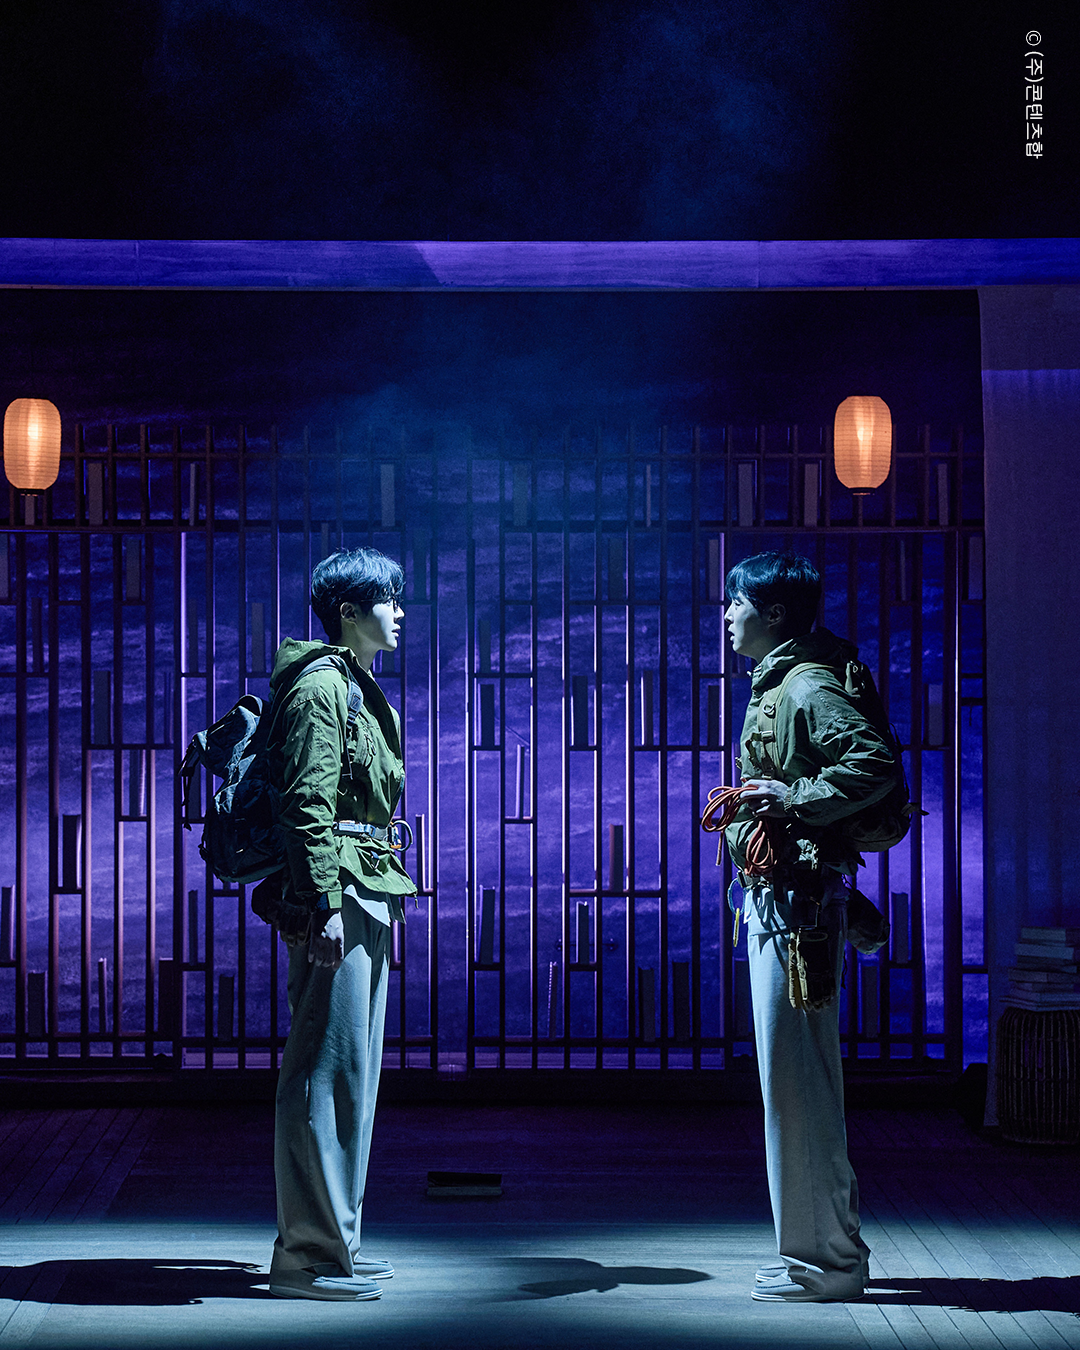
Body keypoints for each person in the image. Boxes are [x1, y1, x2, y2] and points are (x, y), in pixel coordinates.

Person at [722, 551, 898, 1304]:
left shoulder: (805, 683)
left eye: (735, 603)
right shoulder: (783, 680)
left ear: (775, 614)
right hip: (782, 902)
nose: (727, 617)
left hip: (798, 910)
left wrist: (792, 798)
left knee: (802, 1090)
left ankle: (832, 1261)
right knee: (791, 1088)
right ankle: (814, 1254)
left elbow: (873, 764)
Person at [265, 547, 415, 1302]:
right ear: (349, 612)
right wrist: (322, 903)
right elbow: (306, 804)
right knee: (322, 1074)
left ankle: (337, 1242)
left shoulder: (350, 683)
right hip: (342, 892)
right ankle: (308, 1257)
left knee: (351, 1076)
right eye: (389, 600)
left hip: (367, 886)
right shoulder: (322, 687)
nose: (401, 612)